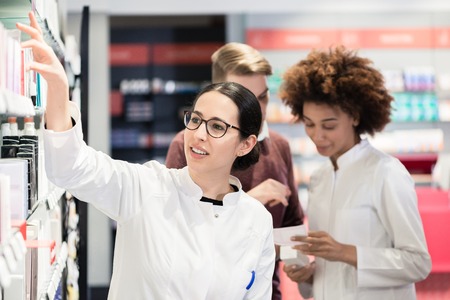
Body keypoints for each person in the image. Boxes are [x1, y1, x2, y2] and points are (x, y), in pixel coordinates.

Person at [17, 12, 275, 300]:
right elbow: (71, 168)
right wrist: (57, 89)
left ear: (246, 144)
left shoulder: (257, 221)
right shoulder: (145, 187)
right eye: (195, 120)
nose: (199, 134)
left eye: (217, 127)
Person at [278, 46, 432, 300]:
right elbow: (329, 271)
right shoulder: (320, 179)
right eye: (309, 124)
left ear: (356, 116)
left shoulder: (386, 173)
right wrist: (308, 275)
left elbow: (417, 262)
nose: (317, 136)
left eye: (329, 125)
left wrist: (345, 252)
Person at [165, 42, 304, 300]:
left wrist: (299, 266)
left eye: (263, 97)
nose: (259, 109)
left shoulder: (279, 147)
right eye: (247, 99)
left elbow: (293, 224)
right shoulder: (188, 146)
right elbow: (173, 232)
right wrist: (246, 204)